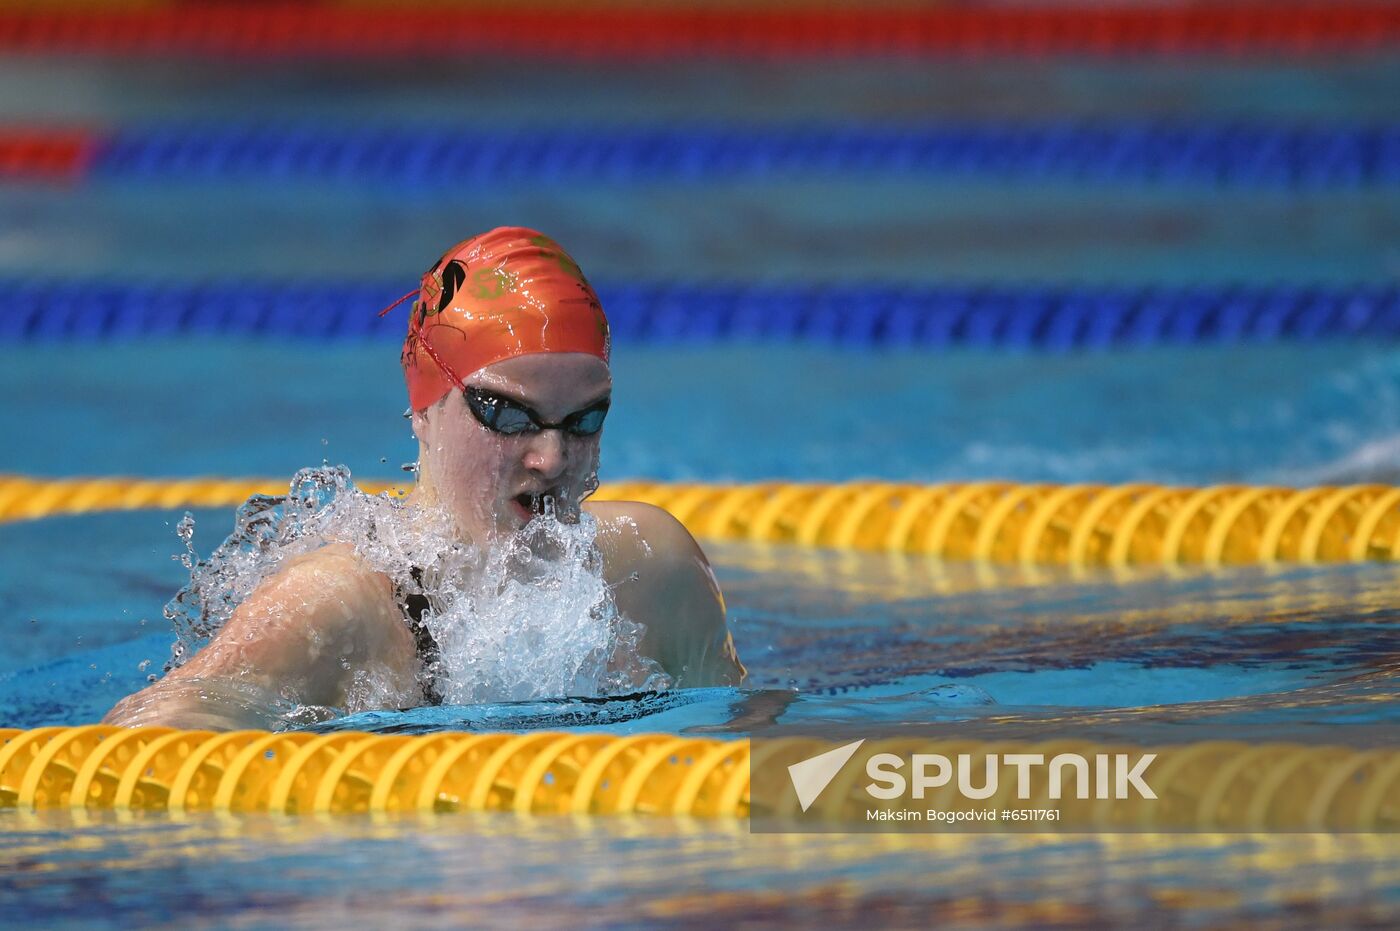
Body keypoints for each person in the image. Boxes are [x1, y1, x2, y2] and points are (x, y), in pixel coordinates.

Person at [105, 227, 744, 729]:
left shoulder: (652, 572)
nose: (551, 458)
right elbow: (129, 764)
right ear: (425, 409)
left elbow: (758, 765)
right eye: (508, 413)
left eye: (584, 420)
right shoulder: (335, 609)